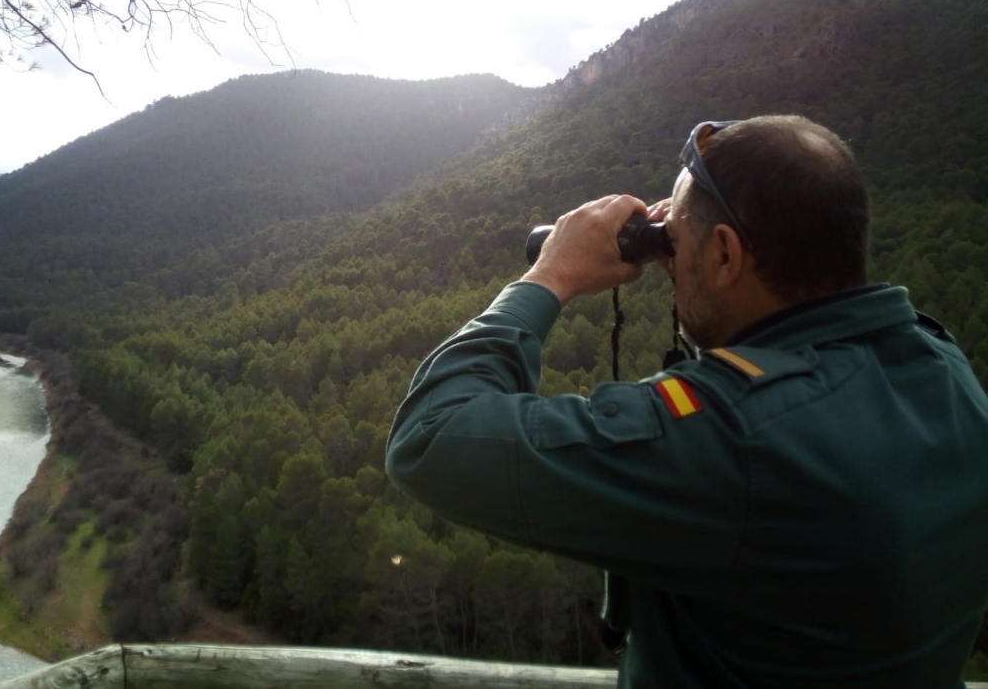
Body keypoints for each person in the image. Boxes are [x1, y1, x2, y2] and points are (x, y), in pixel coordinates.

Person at [385, 115, 988, 688]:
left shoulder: (734, 440)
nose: (668, 257)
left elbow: (429, 436)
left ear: (725, 255)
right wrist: (691, 237)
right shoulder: (940, 366)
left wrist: (550, 275)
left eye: (675, 240)